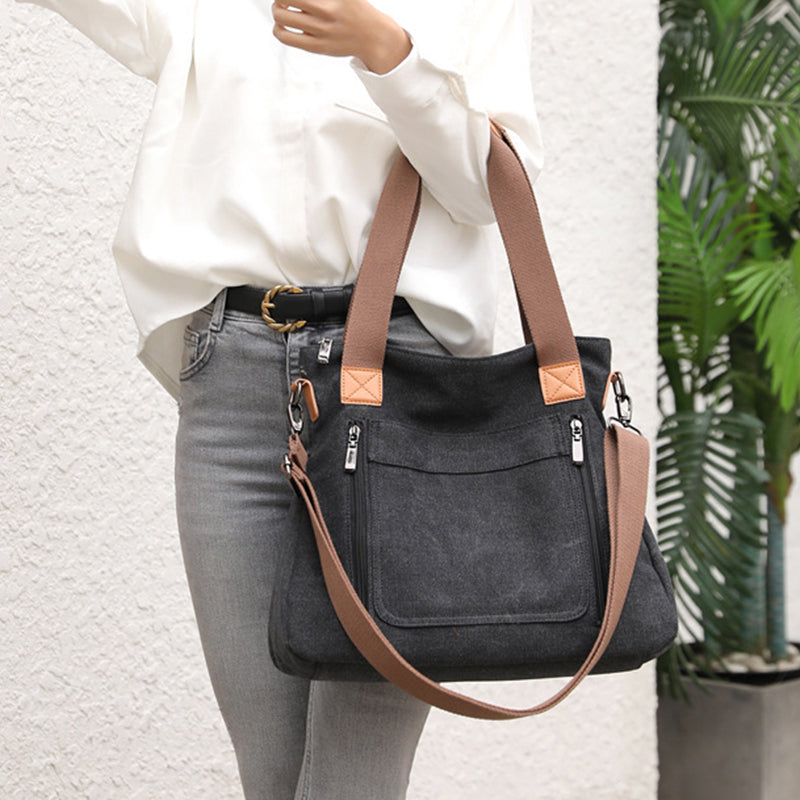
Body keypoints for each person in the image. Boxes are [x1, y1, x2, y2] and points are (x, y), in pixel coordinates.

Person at [15, 1, 545, 797]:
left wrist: (389, 52)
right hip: (233, 384)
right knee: (269, 777)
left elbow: (487, 188)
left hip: (402, 392)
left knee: (355, 779)